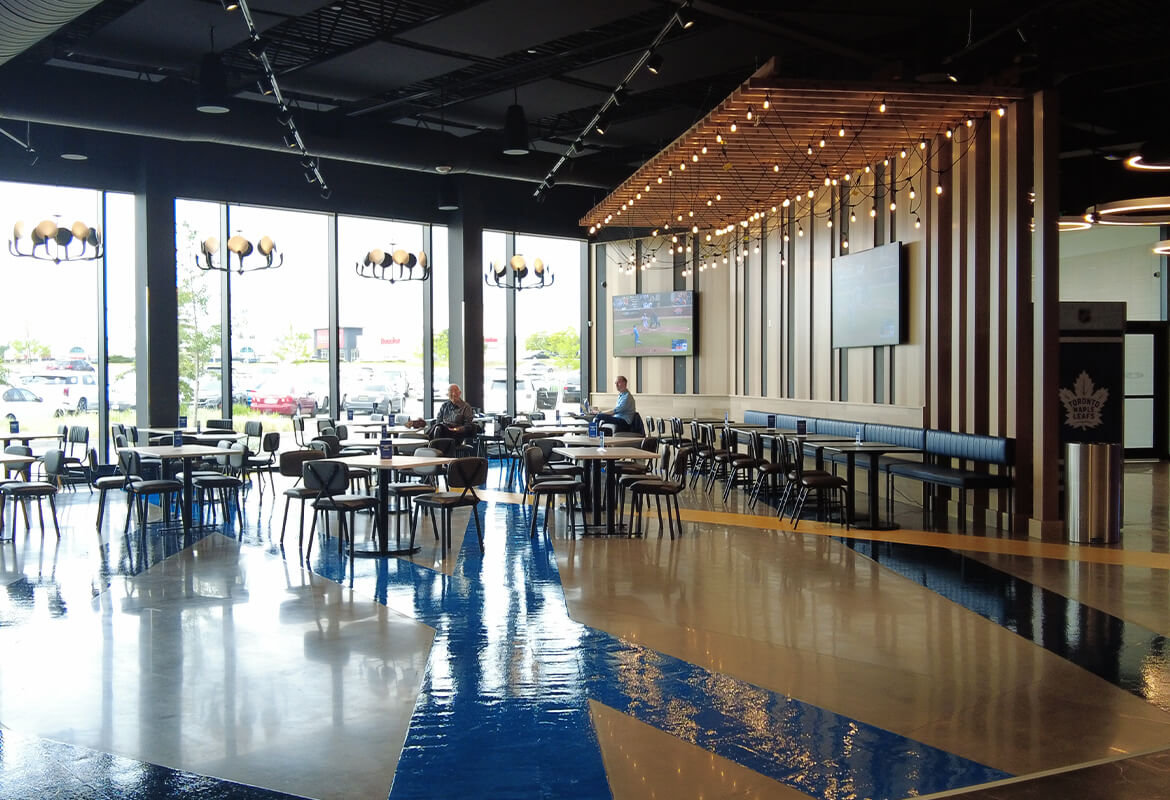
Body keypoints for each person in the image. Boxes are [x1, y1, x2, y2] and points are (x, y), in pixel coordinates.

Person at [409, 384, 475, 443]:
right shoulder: (445, 405)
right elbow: (438, 420)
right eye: (451, 392)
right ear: (448, 394)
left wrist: (456, 429)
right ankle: (431, 443)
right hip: (443, 430)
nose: (453, 394)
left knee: (439, 428)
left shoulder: (466, 407)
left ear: (460, 393)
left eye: (455, 391)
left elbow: (468, 426)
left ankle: (427, 440)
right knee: (439, 427)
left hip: (456, 434)